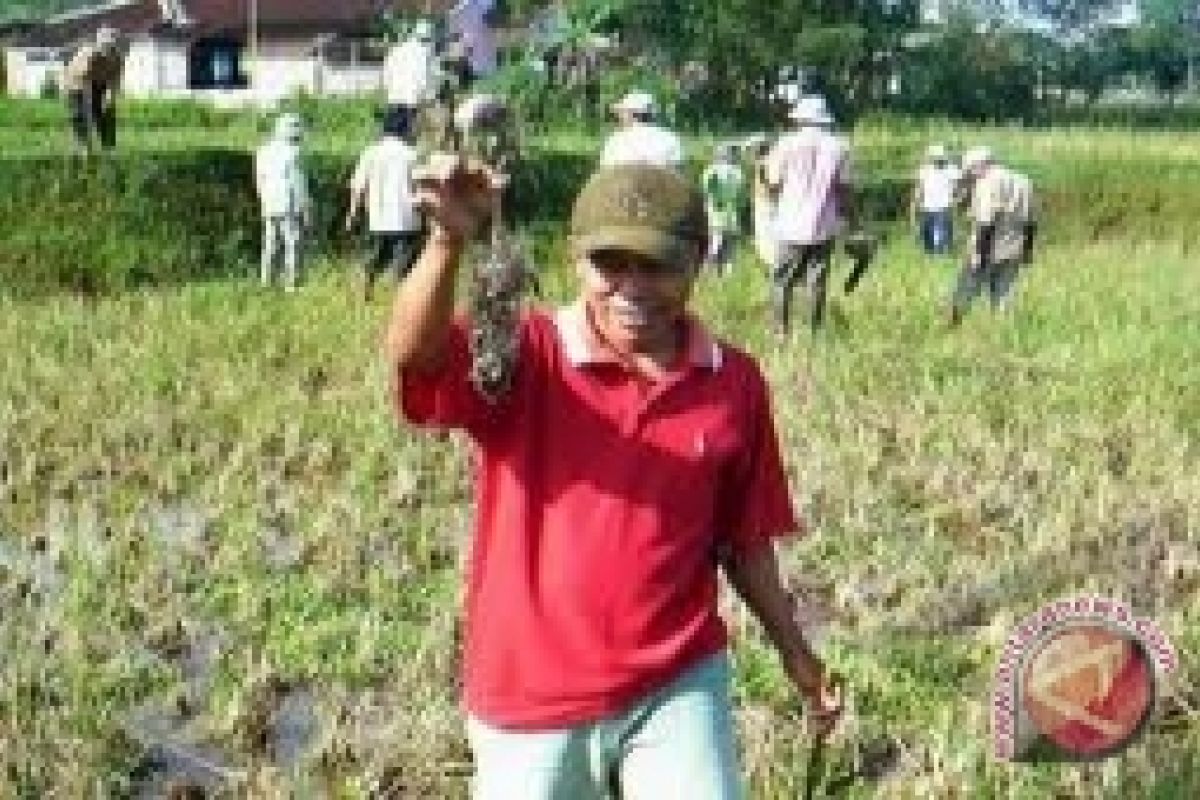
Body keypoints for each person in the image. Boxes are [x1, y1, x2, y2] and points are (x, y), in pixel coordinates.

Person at [385, 163, 842, 799]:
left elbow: (744, 542)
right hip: (532, 695)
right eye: (610, 263)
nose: (632, 287)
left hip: (678, 680)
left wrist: (796, 652)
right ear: (577, 262)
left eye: (656, 266)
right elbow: (415, 357)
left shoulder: (733, 383)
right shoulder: (528, 355)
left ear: (698, 263)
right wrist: (446, 242)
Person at [764, 95, 854, 332]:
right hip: (824, 224)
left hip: (789, 222)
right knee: (817, 280)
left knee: (782, 280)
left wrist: (773, 205)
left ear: (800, 119)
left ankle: (780, 331)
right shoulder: (840, 146)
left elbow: (773, 183)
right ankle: (814, 330)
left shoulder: (785, 144)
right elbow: (844, 188)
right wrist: (848, 218)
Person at [949, 146, 1037, 326]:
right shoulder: (1024, 181)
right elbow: (1031, 221)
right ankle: (1001, 331)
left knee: (965, 290)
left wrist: (979, 254)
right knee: (1003, 294)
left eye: (971, 171)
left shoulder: (988, 182)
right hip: (1015, 247)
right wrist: (1027, 250)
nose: (971, 176)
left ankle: (952, 328)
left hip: (990, 246)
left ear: (980, 165)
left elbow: (986, 221)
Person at [345, 108, 423, 301]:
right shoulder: (411, 155)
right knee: (403, 265)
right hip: (407, 219)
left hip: (378, 218)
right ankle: (401, 300)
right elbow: (419, 188)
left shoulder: (371, 153)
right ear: (404, 129)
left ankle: (365, 294)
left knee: (373, 259)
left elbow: (358, 186)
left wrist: (352, 214)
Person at [255, 113, 311, 292]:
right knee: (292, 243)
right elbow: (298, 183)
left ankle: (266, 281)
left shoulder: (263, 150)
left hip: (269, 203)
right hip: (289, 204)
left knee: (270, 243)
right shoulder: (293, 153)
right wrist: (305, 207)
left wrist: (263, 199)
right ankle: (291, 283)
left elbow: (259, 179)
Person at [62, 26, 124, 152]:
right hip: (76, 84)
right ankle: (83, 145)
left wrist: (110, 100)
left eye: (111, 45)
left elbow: (114, 81)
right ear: (99, 43)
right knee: (81, 113)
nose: (108, 48)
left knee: (107, 112)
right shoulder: (90, 55)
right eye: (106, 45)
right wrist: (89, 104)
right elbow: (85, 79)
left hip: (98, 82)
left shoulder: (117, 58)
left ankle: (109, 146)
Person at [598, 91, 684, 169]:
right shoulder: (670, 138)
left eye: (623, 112)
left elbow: (606, 172)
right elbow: (676, 171)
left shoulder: (615, 141)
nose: (620, 117)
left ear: (631, 114)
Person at [382, 20, 440, 134]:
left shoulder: (399, 49)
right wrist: (430, 97)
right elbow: (427, 77)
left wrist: (388, 87)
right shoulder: (426, 52)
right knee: (405, 133)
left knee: (391, 130)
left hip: (394, 97)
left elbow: (387, 71)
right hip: (412, 99)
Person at [700, 143, 746, 275]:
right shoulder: (738, 172)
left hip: (714, 213)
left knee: (713, 245)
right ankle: (728, 277)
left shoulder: (710, 171)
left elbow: (706, 192)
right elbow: (741, 197)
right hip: (732, 215)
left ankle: (708, 273)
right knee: (730, 250)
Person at [912, 144, 961, 255]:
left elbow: (957, 186)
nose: (937, 160)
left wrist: (956, 199)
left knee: (942, 232)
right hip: (927, 205)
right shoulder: (924, 170)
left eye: (939, 158)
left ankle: (943, 254)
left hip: (944, 205)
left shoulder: (952, 169)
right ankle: (930, 253)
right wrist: (916, 201)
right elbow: (920, 187)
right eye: (934, 158)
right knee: (926, 232)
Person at [745, 134, 778, 273]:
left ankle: (775, 270)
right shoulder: (767, 163)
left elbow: (769, 187)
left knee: (767, 243)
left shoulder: (764, 164)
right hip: (766, 205)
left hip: (766, 206)